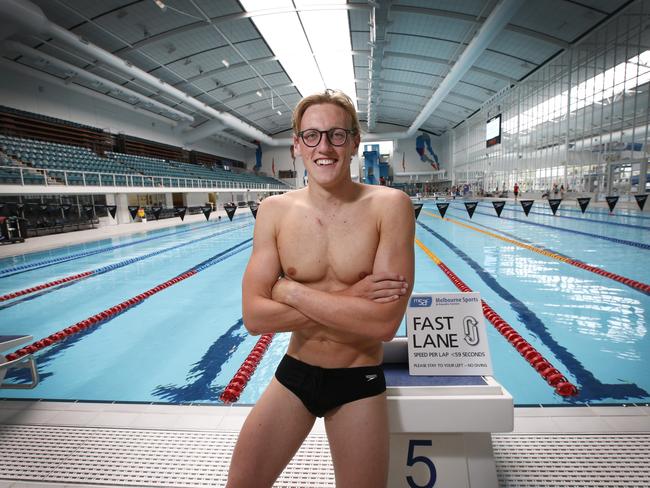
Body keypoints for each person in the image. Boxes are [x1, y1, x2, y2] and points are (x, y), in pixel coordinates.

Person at [227, 89, 415, 488]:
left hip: (358, 381)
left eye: (336, 135)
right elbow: (255, 316)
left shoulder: (390, 206)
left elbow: (383, 322)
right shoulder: (274, 212)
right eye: (311, 135)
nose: (324, 146)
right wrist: (351, 297)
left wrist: (291, 291)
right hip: (294, 375)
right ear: (296, 145)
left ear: (354, 143)